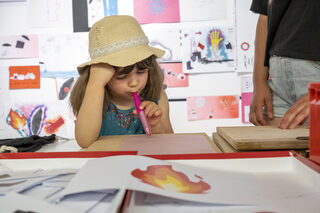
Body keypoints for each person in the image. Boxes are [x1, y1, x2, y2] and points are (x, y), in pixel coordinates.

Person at [70, 15, 174, 148]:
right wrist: (96, 83)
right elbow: (85, 142)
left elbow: (170, 144)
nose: (134, 83)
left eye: (141, 72)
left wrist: (155, 125)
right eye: (122, 76)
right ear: (103, 75)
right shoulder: (93, 96)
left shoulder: (158, 96)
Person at [249, 0, 320, 129]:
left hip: (316, 76)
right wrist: (259, 83)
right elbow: (265, 16)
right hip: (278, 78)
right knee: (273, 147)